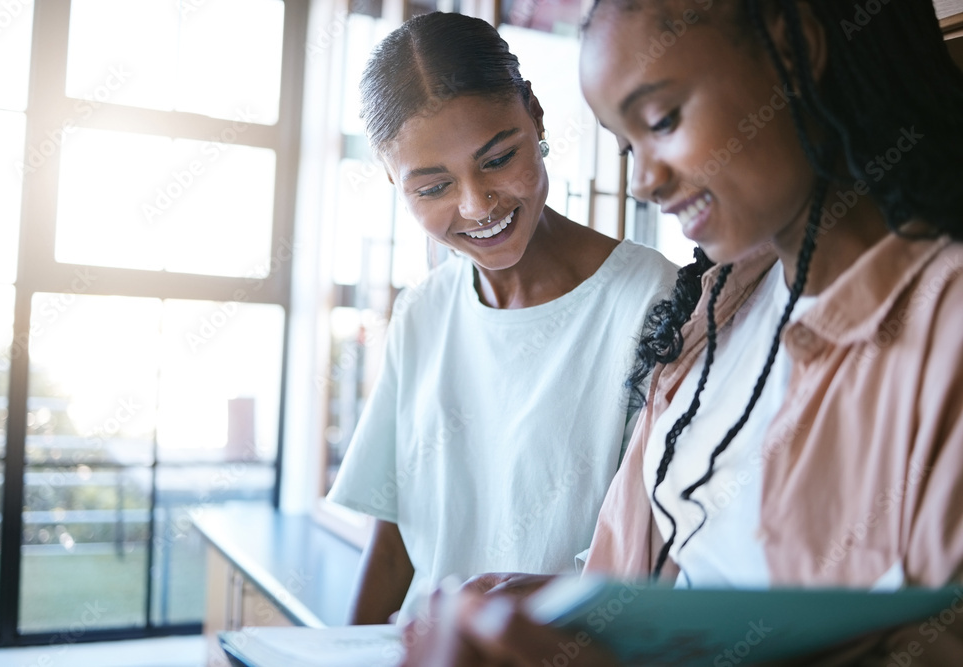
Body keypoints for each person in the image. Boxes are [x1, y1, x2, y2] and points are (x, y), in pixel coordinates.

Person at [399, 0, 963, 663]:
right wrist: (565, 612)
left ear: (796, 50)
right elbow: (689, 579)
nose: (645, 181)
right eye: (626, 144)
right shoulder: (712, 315)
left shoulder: (940, 324)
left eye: (661, 120)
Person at [326, 12, 679, 626]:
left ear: (535, 117)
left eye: (498, 157)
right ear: (393, 180)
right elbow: (392, 548)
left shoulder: (652, 300)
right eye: (432, 188)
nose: (476, 204)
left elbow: (663, 552)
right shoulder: (422, 314)